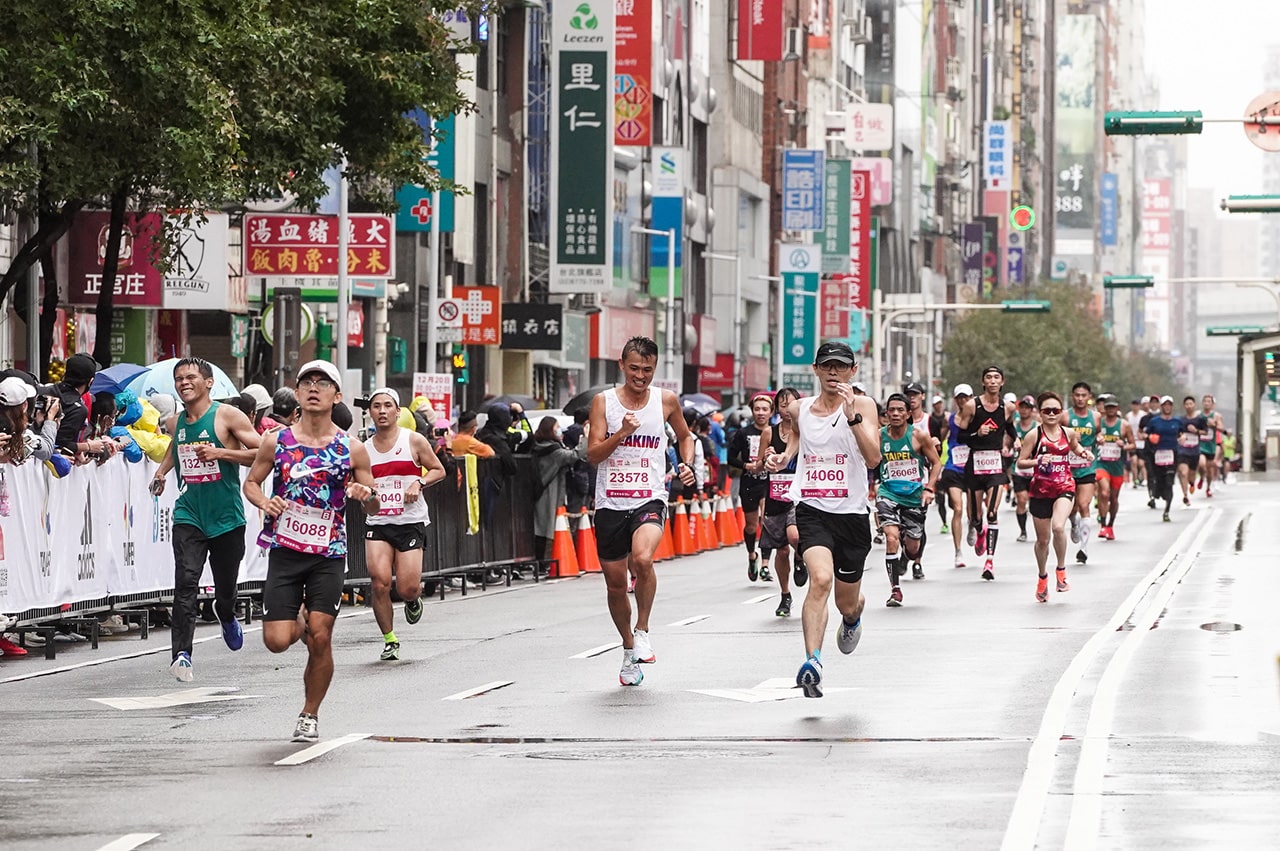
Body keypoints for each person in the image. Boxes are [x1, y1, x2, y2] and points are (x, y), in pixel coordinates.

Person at [244, 360, 377, 743]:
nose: (314, 388)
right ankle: (298, 620)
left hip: (328, 553)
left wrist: (364, 495)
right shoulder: (277, 440)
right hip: (285, 550)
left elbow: (374, 504)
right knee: (276, 641)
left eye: (323, 383)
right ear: (298, 393)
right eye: (307, 383)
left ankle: (309, 714)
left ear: (336, 396)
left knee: (322, 636)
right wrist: (263, 503)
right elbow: (252, 483)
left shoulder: (351, 448)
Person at [766, 341, 880, 699]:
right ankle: (812, 661)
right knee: (820, 579)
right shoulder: (799, 409)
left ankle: (852, 617)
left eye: (841, 367)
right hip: (814, 510)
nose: (834, 373)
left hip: (852, 516)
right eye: (827, 366)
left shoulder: (863, 405)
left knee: (847, 601)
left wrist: (851, 416)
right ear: (815, 370)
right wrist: (782, 459)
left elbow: (874, 458)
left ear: (853, 371)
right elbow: (797, 439)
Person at [586, 336, 696, 687]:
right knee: (616, 586)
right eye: (634, 368)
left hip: (649, 497)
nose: (641, 376)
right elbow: (593, 455)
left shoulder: (665, 400)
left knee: (644, 559)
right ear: (622, 365)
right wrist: (621, 434)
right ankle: (628, 648)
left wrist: (687, 464)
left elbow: (685, 436)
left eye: (648, 370)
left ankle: (644, 628)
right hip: (610, 503)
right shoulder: (603, 402)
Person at [148, 358, 262, 682]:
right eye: (179, 378)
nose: (184, 382)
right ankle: (181, 654)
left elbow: (262, 450)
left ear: (208, 382)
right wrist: (161, 472)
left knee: (225, 588)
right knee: (185, 583)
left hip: (226, 518)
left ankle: (225, 614)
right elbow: (176, 446)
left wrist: (222, 453)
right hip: (189, 513)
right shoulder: (177, 421)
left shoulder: (227, 416)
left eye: (191, 377)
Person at [362, 388, 445, 662]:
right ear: (370, 412)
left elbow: (438, 469)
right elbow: (358, 484)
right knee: (379, 582)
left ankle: (412, 599)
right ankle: (390, 639)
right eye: (377, 406)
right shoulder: (363, 449)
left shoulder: (414, 440)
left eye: (388, 406)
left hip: (409, 521)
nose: (382, 411)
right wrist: (364, 492)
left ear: (398, 412)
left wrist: (419, 482)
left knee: (406, 587)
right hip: (378, 521)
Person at [1017, 391, 1092, 603]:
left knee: (1059, 526)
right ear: (1040, 413)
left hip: (1064, 487)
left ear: (1061, 412)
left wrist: (1085, 454)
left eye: (1056, 410)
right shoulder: (1034, 435)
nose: (1051, 414)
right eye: (1047, 411)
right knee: (1043, 541)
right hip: (1040, 491)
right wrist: (1038, 460)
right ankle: (1042, 577)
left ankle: (1061, 571)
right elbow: (1021, 462)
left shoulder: (1068, 433)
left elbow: (1075, 448)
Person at [871, 393, 941, 607]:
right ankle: (895, 589)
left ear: (908, 414)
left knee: (913, 548)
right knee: (891, 538)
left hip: (913, 496)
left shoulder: (919, 437)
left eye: (900, 410)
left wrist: (929, 489)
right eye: (891, 410)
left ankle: (905, 550)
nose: (895, 414)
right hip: (888, 493)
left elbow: (936, 464)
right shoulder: (879, 436)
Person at [955, 366, 1014, 580]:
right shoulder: (972, 405)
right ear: (983, 382)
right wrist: (976, 433)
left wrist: (1011, 444)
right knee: (975, 517)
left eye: (996, 377)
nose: (992, 381)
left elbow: (1010, 429)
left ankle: (989, 561)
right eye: (988, 377)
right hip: (975, 462)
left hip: (996, 463)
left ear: (1002, 382)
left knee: (992, 513)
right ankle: (979, 530)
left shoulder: (1007, 407)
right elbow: (960, 436)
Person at [758, 388, 803, 617]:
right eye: (783, 405)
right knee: (781, 551)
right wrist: (767, 457)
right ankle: (785, 595)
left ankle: (800, 558)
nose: (787, 410)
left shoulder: (805, 431)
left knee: (794, 536)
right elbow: (757, 466)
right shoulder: (768, 432)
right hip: (775, 496)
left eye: (791, 404)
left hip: (798, 495)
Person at [727, 392, 774, 581]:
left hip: (770, 482)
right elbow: (730, 457)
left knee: (768, 521)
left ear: (771, 412)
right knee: (751, 525)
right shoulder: (743, 433)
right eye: (757, 409)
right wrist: (747, 465)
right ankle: (751, 555)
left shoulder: (776, 432)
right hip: (749, 483)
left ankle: (765, 564)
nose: (761, 413)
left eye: (765, 409)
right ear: (752, 411)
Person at [530, 415, 588, 559]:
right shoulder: (553, 451)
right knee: (549, 526)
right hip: (550, 491)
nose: (559, 430)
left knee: (544, 525)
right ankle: (546, 560)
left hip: (542, 490)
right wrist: (585, 439)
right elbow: (575, 455)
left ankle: (544, 559)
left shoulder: (539, 446)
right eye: (556, 428)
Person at [1066, 382, 1100, 565]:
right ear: (1073, 396)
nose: (1080, 398)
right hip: (1068, 467)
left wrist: (1099, 438)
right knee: (1072, 508)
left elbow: (1098, 435)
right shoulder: (1065, 417)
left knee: (1084, 504)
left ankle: (1083, 549)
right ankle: (1073, 523)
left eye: (1083, 395)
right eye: (1077, 395)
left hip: (1087, 466)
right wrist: (1070, 438)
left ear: (1089, 397)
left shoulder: (1096, 417)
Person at [940, 384, 972, 568]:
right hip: (953, 467)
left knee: (973, 512)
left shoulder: (976, 418)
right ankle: (958, 551)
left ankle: (974, 525)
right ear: (955, 399)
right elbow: (939, 439)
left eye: (966, 397)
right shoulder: (949, 419)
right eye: (959, 397)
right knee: (957, 509)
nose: (963, 401)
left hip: (973, 468)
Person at [1094, 396, 1134, 540]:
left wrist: (1124, 445)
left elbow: (1133, 444)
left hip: (1117, 466)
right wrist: (1097, 439)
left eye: (1113, 407)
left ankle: (1110, 525)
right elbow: (1091, 438)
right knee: (1104, 493)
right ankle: (1103, 526)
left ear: (1117, 408)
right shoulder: (1098, 423)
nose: (1110, 410)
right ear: (1104, 408)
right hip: (1101, 463)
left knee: (1113, 498)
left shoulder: (1124, 425)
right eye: (1108, 407)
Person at [1143, 395, 1182, 522]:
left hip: (1172, 454)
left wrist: (1182, 438)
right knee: (1159, 481)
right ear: (1161, 406)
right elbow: (1144, 433)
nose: (1167, 407)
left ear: (1172, 407)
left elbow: (1182, 433)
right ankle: (1158, 493)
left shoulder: (1177, 421)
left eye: (1169, 405)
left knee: (1169, 482)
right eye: (1164, 404)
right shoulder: (1154, 422)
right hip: (1157, 455)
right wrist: (1150, 437)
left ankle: (1167, 511)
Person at [1011, 395, 1038, 542]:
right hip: (1019, 469)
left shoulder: (1037, 427)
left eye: (1027, 408)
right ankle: (1023, 531)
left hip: (1035, 470)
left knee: (1035, 504)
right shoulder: (1014, 427)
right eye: (1022, 407)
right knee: (1021, 500)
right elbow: (1006, 441)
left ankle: (1040, 529)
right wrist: (1005, 447)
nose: (1024, 410)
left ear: (1032, 410)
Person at [562, 408, 594, 521]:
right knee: (581, 515)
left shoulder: (566, 435)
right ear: (586, 422)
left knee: (576, 513)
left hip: (572, 478)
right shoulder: (584, 436)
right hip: (582, 478)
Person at [1176, 396, 1206, 507]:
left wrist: (1196, 431)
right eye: (1186, 404)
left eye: (1191, 404)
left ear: (1194, 405)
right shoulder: (1180, 420)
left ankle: (1192, 483)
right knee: (1183, 472)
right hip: (1183, 450)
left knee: (1191, 474)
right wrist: (1180, 437)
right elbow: (1177, 433)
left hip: (1194, 451)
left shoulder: (1200, 419)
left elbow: (1206, 432)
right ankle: (1185, 495)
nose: (1189, 406)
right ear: (1184, 406)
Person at [1197, 394, 1225, 497]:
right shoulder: (1198, 414)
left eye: (1209, 402)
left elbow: (1222, 428)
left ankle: (1208, 488)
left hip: (1211, 445)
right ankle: (1201, 477)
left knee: (1209, 470)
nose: (1206, 403)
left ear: (1213, 404)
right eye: (1205, 401)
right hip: (1200, 444)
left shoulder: (1216, 416)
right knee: (1201, 464)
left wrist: (1215, 424)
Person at [1127, 398, 1147, 489]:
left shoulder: (1143, 415)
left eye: (1137, 405)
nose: (1135, 407)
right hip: (1132, 441)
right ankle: (1134, 480)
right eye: (1134, 405)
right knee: (1134, 461)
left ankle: (1145, 479)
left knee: (1141, 463)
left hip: (1141, 442)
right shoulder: (1128, 416)